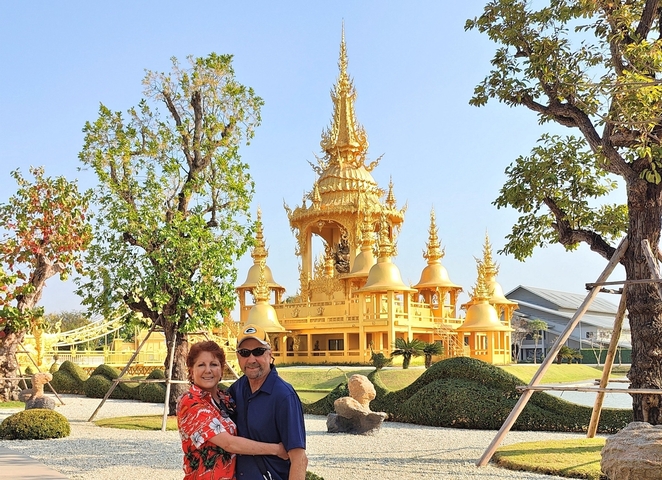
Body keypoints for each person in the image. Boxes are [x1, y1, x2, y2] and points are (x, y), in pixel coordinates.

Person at [177, 340, 288, 480]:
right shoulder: (190, 403)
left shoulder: (225, 398)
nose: (208, 370)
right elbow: (229, 443)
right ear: (191, 371)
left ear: (221, 369)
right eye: (201, 365)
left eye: (214, 364)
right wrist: (276, 449)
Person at [228, 324, 308, 480]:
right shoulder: (236, 390)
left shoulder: (284, 396)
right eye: (244, 353)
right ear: (238, 357)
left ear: (270, 354)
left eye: (258, 351)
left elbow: (299, 458)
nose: (251, 359)